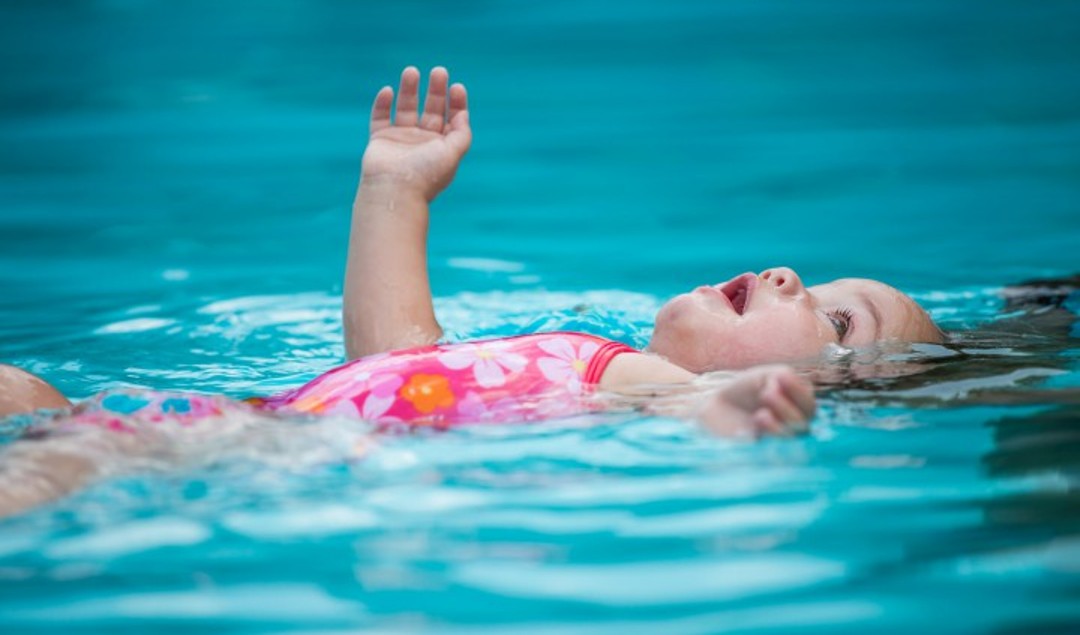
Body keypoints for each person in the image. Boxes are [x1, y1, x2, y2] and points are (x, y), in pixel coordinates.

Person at [0, 66, 944, 517]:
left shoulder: (656, 390)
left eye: (830, 314)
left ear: (822, 384)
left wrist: (737, 408)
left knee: (43, 467)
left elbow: (696, 414)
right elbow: (395, 361)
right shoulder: (591, 358)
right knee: (23, 396)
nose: (789, 274)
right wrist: (394, 190)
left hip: (259, 448)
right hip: (236, 413)